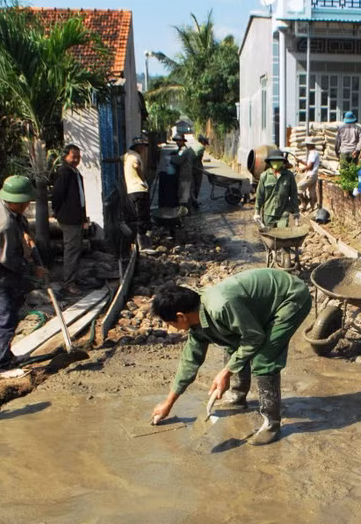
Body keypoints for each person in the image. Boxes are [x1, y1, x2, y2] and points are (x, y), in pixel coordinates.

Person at [150, 268, 312, 445]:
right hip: (262, 303)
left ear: (181, 317)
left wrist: (226, 372)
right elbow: (190, 360)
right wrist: (168, 403)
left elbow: (254, 337)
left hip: (290, 297)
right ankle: (237, 396)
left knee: (264, 358)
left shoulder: (220, 307)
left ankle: (271, 423)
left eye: (170, 323)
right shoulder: (196, 319)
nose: (172, 328)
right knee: (230, 341)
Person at [0, 176, 48, 371]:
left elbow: (20, 222)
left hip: (3, 274)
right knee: (4, 321)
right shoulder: (3, 224)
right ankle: (1, 365)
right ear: (14, 201)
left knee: (11, 313)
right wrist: (33, 269)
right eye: (24, 202)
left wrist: (25, 235)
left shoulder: (4, 204)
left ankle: (6, 355)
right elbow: (8, 259)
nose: (27, 205)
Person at [51, 143, 87, 294]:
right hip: (69, 218)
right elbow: (57, 195)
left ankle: (74, 278)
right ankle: (69, 282)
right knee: (72, 249)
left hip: (77, 217)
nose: (76, 160)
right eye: (73, 157)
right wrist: (58, 212)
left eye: (78, 157)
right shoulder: (64, 172)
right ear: (65, 156)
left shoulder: (74, 172)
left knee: (76, 248)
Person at [254, 148, 300, 228]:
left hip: (283, 212)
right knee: (270, 235)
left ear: (283, 162)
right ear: (270, 162)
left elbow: (293, 194)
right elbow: (259, 196)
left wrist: (296, 211)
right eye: (274, 160)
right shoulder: (264, 176)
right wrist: (257, 212)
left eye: (278, 160)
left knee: (282, 234)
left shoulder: (289, 176)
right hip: (268, 213)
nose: (276, 162)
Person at [124, 137, 151, 249]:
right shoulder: (136, 156)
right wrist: (143, 179)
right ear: (139, 147)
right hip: (139, 189)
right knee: (142, 216)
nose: (144, 149)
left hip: (131, 191)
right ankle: (142, 244)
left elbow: (119, 158)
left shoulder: (127, 155)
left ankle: (137, 241)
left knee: (136, 215)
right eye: (143, 147)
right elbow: (136, 166)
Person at [170, 133, 196, 209]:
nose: (177, 142)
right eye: (177, 141)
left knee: (184, 196)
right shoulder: (181, 149)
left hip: (185, 176)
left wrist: (171, 158)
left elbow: (177, 160)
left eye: (179, 141)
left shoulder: (184, 150)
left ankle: (185, 213)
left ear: (183, 141)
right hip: (184, 175)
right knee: (185, 195)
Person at [294, 141, 321, 211]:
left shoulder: (313, 153)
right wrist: (300, 161)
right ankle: (312, 207)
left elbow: (310, 166)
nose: (306, 146)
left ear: (311, 145)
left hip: (311, 175)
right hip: (314, 174)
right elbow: (309, 164)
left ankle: (304, 203)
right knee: (312, 191)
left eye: (307, 145)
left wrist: (301, 169)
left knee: (298, 187)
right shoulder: (315, 152)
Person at [192, 134, 209, 210]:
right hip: (197, 168)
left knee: (192, 186)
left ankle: (193, 200)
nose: (205, 145)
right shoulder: (201, 147)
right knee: (197, 186)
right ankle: (194, 201)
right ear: (202, 142)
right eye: (205, 143)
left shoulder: (194, 145)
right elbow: (196, 156)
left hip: (192, 168)